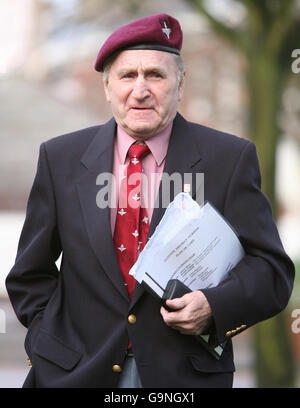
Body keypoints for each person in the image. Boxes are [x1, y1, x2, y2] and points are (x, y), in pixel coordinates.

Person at [6, 13, 294, 388]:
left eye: (155, 75)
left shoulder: (229, 158)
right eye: (128, 76)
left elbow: (271, 271)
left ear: (180, 83)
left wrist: (214, 307)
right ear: (108, 86)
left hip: (184, 379)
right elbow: (30, 274)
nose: (140, 90)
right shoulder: (60, 158)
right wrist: (48, 342)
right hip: (73, 375)